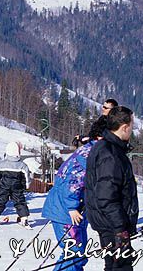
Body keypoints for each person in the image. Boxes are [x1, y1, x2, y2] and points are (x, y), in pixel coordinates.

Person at [42, 116, 107, 271]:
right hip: (67, 210)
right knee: (74, 252)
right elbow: (73, 180)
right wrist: (72, 206)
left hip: (73, 209)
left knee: (76, 253)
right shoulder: (89, 154)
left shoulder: (93, 150)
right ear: (101, 137)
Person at [85, 106, 138, 271]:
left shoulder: (108, 148)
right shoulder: (110, 154)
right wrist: (121, 228)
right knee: (120, 267)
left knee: (113, 266)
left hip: (110, 223)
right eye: (132, 125)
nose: (132, 130)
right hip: (113, 226)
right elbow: (106, 197)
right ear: (124, 127)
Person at [0, 142, 31, 228]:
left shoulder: (2, 164)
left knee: (0, 201)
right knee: (20, 201)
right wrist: (26, 185)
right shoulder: (22, 165)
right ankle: (24, 218)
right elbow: (26, 176)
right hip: (17, 187)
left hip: (4, 186)